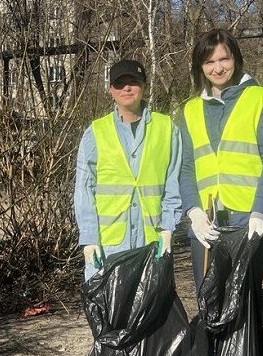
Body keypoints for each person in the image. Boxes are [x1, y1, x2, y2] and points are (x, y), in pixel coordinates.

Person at [179, 28, 263, 293]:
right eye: (209, 62)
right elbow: (186, 167)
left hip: (249, 219)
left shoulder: (259, 98)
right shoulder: (190, 109)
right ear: (200, 67)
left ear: (236, 59)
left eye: (224, 59)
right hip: (207, 221)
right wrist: (193, 212)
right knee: (208, 299)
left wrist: (259, 213)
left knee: (243, 301)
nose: (217, 68)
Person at [74, 59, 182, 281]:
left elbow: (173, 182)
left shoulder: (167, 128)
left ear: (144, 86)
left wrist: (168, 228)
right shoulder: (95, 133)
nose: (127, 88)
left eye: (133, 82)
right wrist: (89, 238)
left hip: (151, 242)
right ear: (111, 90)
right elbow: (84, 189)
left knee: (149, 302)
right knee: (109, 303)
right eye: (119, 83)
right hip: (108, 245)